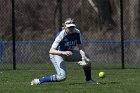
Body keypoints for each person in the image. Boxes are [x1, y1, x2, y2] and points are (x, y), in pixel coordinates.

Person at [31, 18, 98, 85]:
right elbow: (51, 51)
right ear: (65, 27)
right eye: (69, 27)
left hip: (68, 53)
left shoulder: (77, 32)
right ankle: (39, 80)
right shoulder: (61, 35)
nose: (71, 28)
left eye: (73, 27)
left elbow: (80, 46)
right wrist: (63, 52)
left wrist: (83, 57)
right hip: (57, 54)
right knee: (62, 77)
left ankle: (88, 80)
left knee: (87, 59)